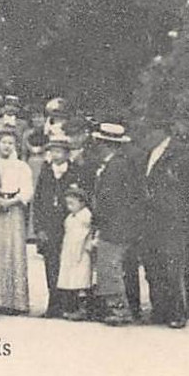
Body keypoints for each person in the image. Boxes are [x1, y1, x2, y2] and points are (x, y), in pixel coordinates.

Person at [135, 126, 189, 328]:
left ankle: (177, 313)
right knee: (152, 265)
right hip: (150, 218)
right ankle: (159, 310)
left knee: (172, 267)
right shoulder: (147, 153)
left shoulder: (183, 153)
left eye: (150, 130)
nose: (146, 135)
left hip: (172, 219)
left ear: (161, 131)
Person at [89, 123, 143, 325]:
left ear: (106, 144)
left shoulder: (116, 167)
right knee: (111, 267)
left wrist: (100, 220)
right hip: (118, 224)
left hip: (115, 225)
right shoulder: (117, 164)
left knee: (110, 268)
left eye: (100, 143)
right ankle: (119, 308)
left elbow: (110, 199)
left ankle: (120, 310)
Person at [0, 128, 33, 315]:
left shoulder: (22, 166)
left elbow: (27, 190)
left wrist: (12, 201)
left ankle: (15, 301)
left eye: (11, 143)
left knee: (13, 251)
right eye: (4, 142)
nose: (7, 146)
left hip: (14, 208)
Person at [31, 132, 77, 316]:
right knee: (51, 264)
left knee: (70, 264)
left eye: (59, 152)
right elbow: (39, 200)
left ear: (67, 154)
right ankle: (53, 304)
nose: (56, 156)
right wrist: (39, 228)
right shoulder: (46, 171)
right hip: (49, 226)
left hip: (68, 225)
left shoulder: (75, 172)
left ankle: (70, 305)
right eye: (53, 152)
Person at [55, 185, 96, 320]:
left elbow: (83, 236)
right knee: (72, 280)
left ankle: (83, 309)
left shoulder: (84, 217)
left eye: (72, 203)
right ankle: (72, 308)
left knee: (81, 280)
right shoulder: (71, 217)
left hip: (81, 252)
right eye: (68, 203)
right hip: (70, 250)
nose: (69, 207)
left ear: (82, 203)